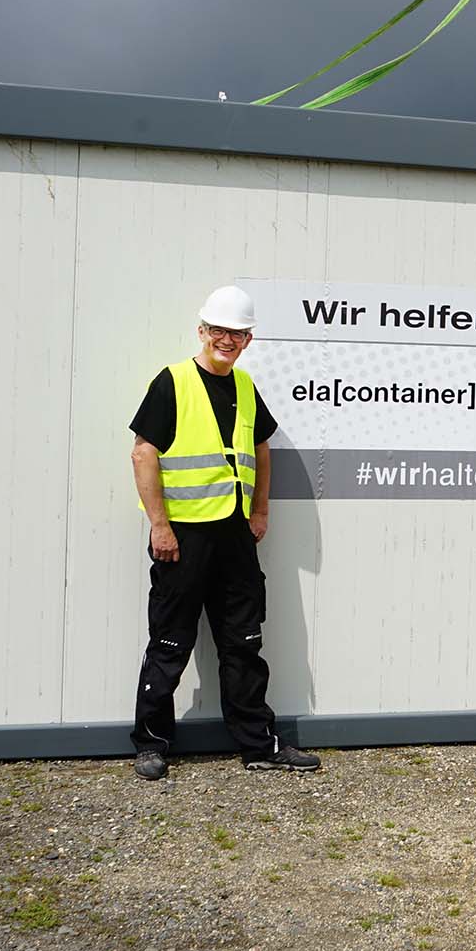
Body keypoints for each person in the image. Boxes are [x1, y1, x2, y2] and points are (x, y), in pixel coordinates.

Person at [127, 285, 320, 779]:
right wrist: (159, 525)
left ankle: (259, 745)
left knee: (244, 644)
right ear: (202, 331)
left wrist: (260, 513)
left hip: (235, 537)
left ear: (248, 340)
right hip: (184, 539)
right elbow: (143, 452)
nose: (227, 340)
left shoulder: (245, 387)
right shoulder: (172, 382)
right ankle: (150, 743)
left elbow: (262, 448)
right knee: (170, 643)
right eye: (219, 331)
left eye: (237, 333)